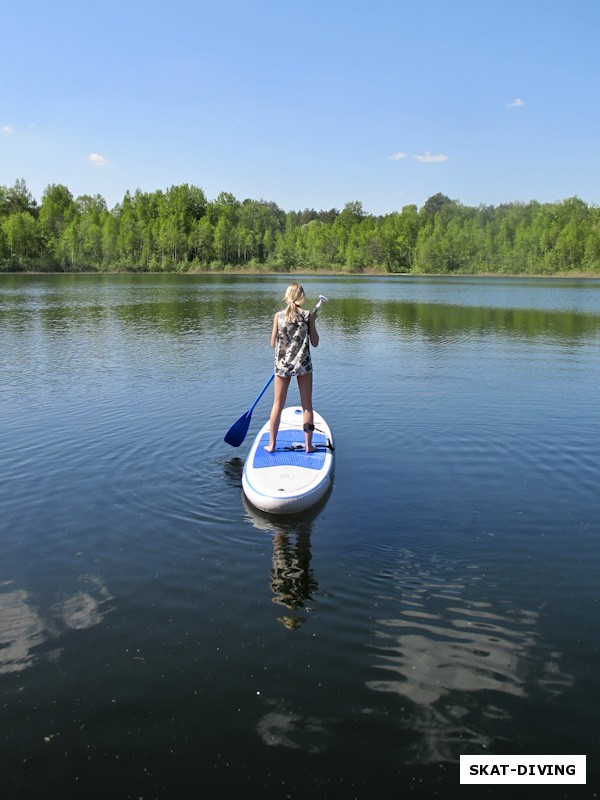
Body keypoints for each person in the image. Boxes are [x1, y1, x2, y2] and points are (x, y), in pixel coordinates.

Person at [265, 283, 319, 453]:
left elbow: (273, 343)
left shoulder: (278, 316)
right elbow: (315, 343)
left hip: (282, 366)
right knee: (307, 406)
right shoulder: (308, 315)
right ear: (302, 297)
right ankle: (309, 446)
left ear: (287, 296)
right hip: (303, 365)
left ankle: (272, 445)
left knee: (277, 405)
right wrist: (312, 324)